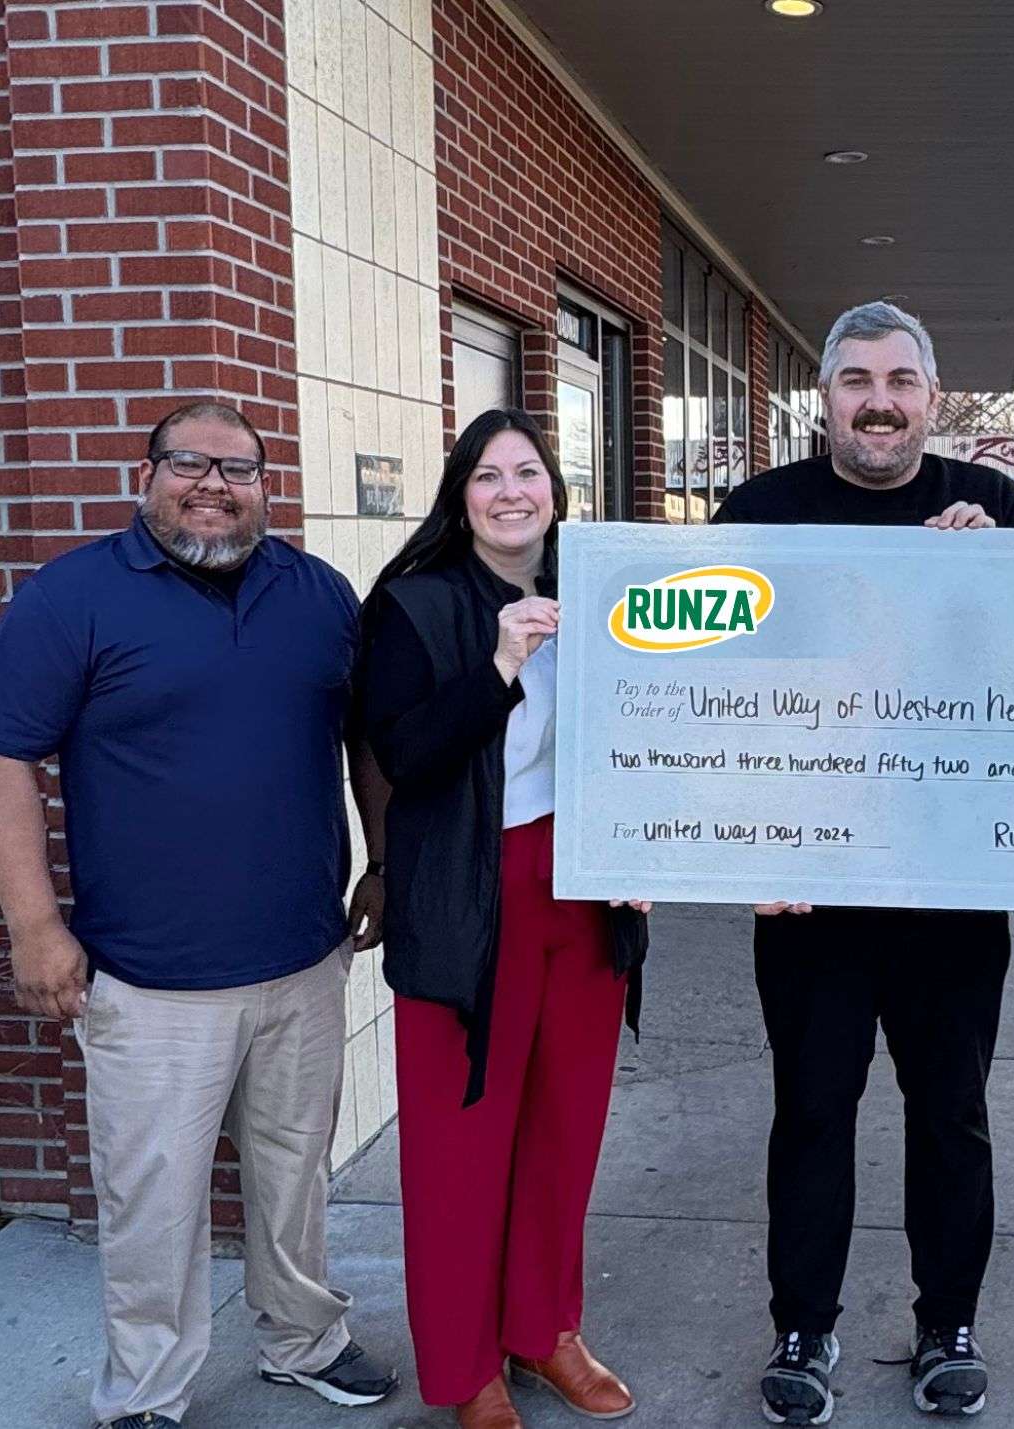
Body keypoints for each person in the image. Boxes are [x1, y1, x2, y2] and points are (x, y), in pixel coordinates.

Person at [0, 401, 399, 1428]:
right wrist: (35, 925)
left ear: (265, 486)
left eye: (237, 468)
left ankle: (303, 1339)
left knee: (293, 1173)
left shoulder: (319, 594)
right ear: (144, 477)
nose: (212, 484)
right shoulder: (72, 596)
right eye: (187, 463)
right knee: (154, 1200)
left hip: (301, 957)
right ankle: (146, 1394)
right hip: (150, 977)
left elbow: (365, 738)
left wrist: (384, 858)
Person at [711, 301, 1014, 1425]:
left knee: (950, 1110)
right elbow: (720, 690)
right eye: (855, 379)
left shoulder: (993, 507)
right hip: (808, 884)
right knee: (812, 1107)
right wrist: (742, 832)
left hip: (946, 878)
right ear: (825, 398)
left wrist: (1000, 580)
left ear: (931, 398)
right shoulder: (755, 513)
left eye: (899, 378)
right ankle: (802, 1324)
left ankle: (947, 1318)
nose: (879, 398)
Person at [356, 408, 650, 1429]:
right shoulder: (415, 605)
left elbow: (657, 729)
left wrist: (650, 843)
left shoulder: (604, 590)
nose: (511, 491)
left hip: (582, 886)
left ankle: (543, 1327)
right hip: (465, 898)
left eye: (528, 471)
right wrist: (495, 670)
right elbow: (405, 757)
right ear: (460, 495)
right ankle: (465, 1363)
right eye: (487, 476)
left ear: (556, 491)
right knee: (460, 1144)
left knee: (565, 1129)